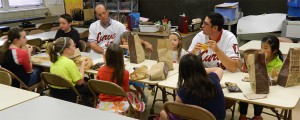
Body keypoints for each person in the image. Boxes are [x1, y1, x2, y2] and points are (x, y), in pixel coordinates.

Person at [159, 54, 225, 120]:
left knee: (163, 113)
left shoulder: (183, 92)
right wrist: (199, 70)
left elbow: (177, 111)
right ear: (201, 67)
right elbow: (219, 69)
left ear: (182, 72)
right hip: (216, 118)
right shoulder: (213, 79)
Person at [239, 35, 283, 120]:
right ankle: (243, 115)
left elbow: (275, 81)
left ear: (275, 50)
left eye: (265, 48)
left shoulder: (278, 64)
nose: (262, 50)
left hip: (269, 91)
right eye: (261, 47)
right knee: (244, 93)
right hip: (254, 86)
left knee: (259, 92)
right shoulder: (258, 58)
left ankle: (257, 115)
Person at [96, 43, 145, 116]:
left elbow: (98, 87)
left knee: (132, 93)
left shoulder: (100, 70)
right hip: (119, 101)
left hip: (103, 101)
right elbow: (126, 90)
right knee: (135, 93)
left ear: (106, 56)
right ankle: (136, 113)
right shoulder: (124, 72)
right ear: (121, 58)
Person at [88, 4, 152, 54]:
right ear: (96, 16)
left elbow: (131, 37)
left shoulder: (118, 25)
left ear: (107, 12)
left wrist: (145, 43)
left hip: (113, 55)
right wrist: (105, 52)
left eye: (104, 13)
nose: (102, 16)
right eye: (99, 15)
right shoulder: (93, 26)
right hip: (97, 54)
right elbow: (93, 45)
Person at [47, 37, 92, 106]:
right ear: (67, 50)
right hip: (68, 92)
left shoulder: (54, 61)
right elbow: (80, 82)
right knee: (90, 85)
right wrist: (82, 65)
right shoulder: (69, 62)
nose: (75, 47)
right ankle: (89, 106)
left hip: (56, 92)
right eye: (73, 45)